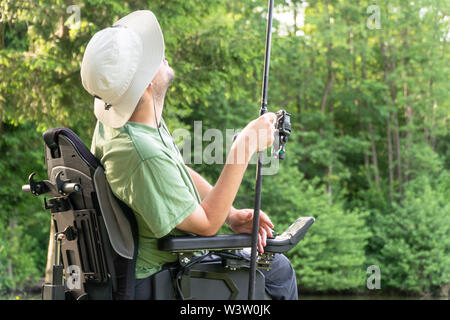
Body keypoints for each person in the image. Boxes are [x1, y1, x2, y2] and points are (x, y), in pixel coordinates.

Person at [81, 10, 297, 300]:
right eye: (152, 57)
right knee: (278, 269)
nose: (162, 53)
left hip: (166, 267)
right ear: (144, 86)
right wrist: (243, 146)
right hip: (163, 278)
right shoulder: (142, 154)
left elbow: (175, 172)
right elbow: (207, 223)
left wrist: (231, 214)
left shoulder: (128, 124)